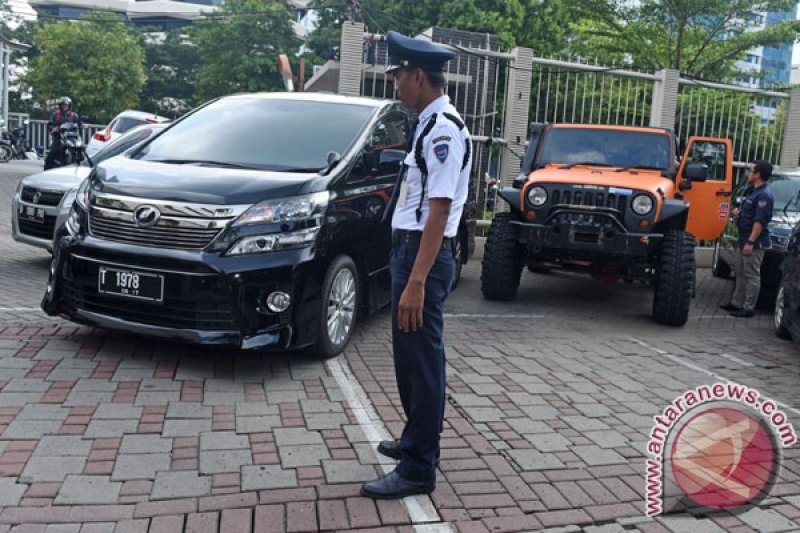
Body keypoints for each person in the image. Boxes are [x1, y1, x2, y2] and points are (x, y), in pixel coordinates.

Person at [360, 31, 471, 500]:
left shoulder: (442, 128)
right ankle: (413, 442)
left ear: (418, 76)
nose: (395, 86)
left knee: (422, 364)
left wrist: (417, 281)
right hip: (410, 252)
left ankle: (418, 468)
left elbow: (439, 212)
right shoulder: (428, 123)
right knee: (410, 360)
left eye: (398, 77)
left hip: (423, 256)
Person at [719, 160, 774, 318]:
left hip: (754, 242)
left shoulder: (764, 195)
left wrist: (751, 242)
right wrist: (739, 213)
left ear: (758, 174)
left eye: (751, 170)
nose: (748, 173)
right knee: (740, 271)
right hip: (744, 239)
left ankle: (748, 308)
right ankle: (736, 303)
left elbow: (759, 222)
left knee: (751, 275)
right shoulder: (754, 191)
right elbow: (750, 214)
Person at [44, 96, 82, 170]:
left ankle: (82, 166)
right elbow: (50, 124)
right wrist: (54, 129)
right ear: (60, 106)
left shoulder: (74, 115)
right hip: (59, 137)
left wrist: (82, 125)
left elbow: (79, 123)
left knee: (81, 150)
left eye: (66, 105)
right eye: (62, 105)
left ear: (69, 106)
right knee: (53, 153)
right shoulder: (56, 115)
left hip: (72, 137)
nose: (64, 106)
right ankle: (46, 169)